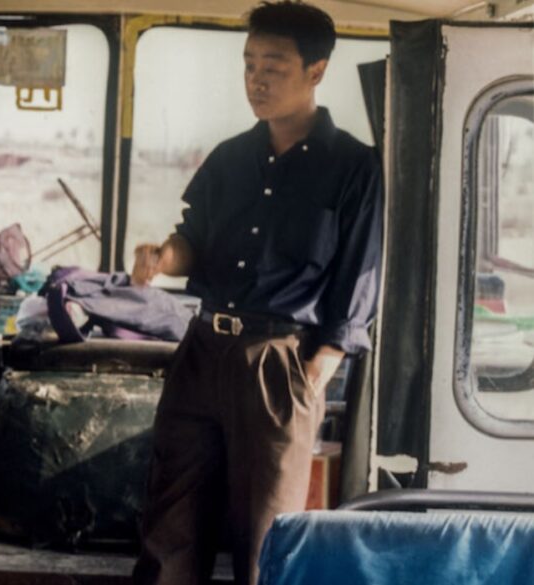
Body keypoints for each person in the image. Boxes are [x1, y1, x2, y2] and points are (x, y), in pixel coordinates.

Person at [130, 2, 382, 584]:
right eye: (248, 65)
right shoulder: (230, 158)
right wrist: (165, 257)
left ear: (316, 71)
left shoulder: (353, 167)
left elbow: (359, 275)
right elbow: (193, 238)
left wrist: (317, 369)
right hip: (201, 352)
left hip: (280, 362)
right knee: (170, 525)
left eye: (274, 65)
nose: (256, 80)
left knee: (268, 539)